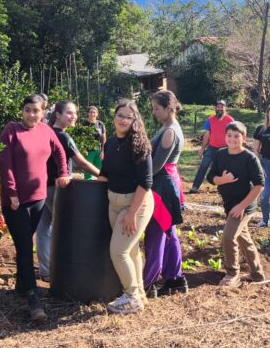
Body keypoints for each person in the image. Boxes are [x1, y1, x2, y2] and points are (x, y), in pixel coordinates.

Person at [0, 94, 71, 323]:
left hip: (38, 197)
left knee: (25, 241)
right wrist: (11, 193)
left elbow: (60, 151)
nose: (31, 114)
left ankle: (21, 285)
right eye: (27, 110)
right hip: (15, 200)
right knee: (23, 244)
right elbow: (5, 164)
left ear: (43, 113)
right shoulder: (11, 131)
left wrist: (63, 173)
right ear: (22, 111)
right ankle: (32, 298)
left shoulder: (46, 131)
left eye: (36, 111)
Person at [98, 99, 154, 315]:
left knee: (119, 251)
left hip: (135, 204)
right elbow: (105, 173)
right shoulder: (111, 143)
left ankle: (131, 297)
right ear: (114, 117)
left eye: (128, 117)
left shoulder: (140, 145)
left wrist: (132, 213)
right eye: (120, 115)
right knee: (130, 250)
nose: (123, 120)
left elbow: (145, 182)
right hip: (114, 202)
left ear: (134, 120)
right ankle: (139, 293)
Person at [36, 100, 101, 281]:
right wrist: (102, 175)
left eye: (75, 113)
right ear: (57, 114)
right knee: (66, 229)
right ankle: (64, 269)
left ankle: (46, 271)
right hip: (59, 188)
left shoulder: (44, 133)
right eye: (69, 113)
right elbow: (81, 162)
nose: (74, 117)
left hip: (41, 187)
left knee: (44, 229)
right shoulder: (63, 137)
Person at [207, 121, 266, 287]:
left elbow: (259, 185)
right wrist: (222, 180)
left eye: (236, 136)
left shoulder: (249, 158)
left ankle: (232, 273)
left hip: (245, 206)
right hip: (229, 204)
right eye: (229, 135)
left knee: (228, 236)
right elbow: (210, 176)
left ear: (244, 137)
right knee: (243, 238)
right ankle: (257, 273)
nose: (232, 139)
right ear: (225, 137)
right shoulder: (220, 154)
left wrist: (242, 206)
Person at [143, 90, 187, 297]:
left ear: (169, 108)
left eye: (156, 108)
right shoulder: (168, 128)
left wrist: (139, 179)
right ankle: (175, 278)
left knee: (156, 234)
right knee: (169, 233)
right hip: (166, 185)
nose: (154, 112)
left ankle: (149, 283)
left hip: (162, 187)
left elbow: (157, 166)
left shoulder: (170, 132)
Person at [189, 101, 234, 194]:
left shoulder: (230, 120)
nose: (220, 109)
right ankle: (195, 186)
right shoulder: (210, 120)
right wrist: (202, 149)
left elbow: (233, 135)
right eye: (218, 107)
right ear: (215, 108)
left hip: (224, 149)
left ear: (226, 108)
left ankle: (223, 189)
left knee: (224, 169)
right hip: (212, 148)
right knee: (203, 166)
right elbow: (206, 135)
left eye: (222, 107)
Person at [84, 105, 107, 172]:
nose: (92, 114)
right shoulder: (84, 123)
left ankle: (100, 182)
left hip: (99, 150)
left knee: (100, 170)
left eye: (94, 112)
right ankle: (88, 182)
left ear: (97, 114)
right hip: (88, 151)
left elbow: (104, 138)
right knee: (88, 169)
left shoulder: (101, 124)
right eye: (91, 112)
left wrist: (103, 151)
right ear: (88, 113)